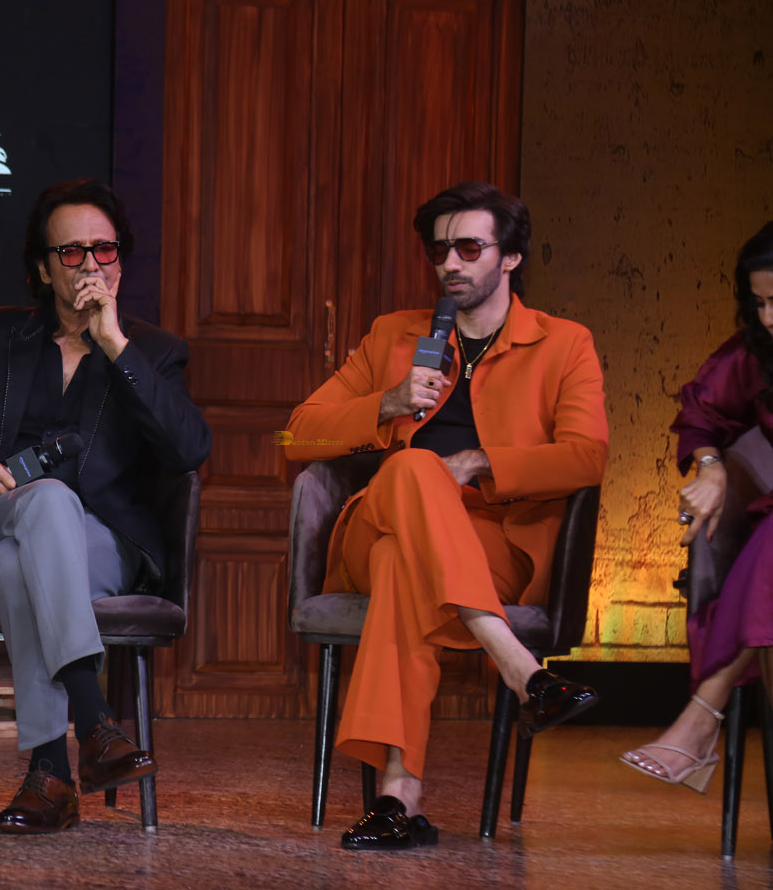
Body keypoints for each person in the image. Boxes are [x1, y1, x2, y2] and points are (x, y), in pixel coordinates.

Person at [283, 182, 609, 850]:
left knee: (402, 568)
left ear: (510, 256)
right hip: (380, 518)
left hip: (490, 544)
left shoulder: (563, 343)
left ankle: (397, 799)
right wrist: (387, 403)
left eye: (469, 248)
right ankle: (517, 665)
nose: (450, 264)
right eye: (440, 252)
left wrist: (483, 462)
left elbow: (587, 456)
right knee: (411, 469)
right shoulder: (394, 335)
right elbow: (297, 435)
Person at [0, 178, 211, 834]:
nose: (91, 265)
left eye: (104, 250)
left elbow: (188, 448)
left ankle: (50, 773)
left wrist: (114, 344)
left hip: (101, 545)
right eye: (71, 252)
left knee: (18, 567)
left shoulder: (152, 351)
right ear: (42, 268)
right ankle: (95, 720)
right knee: (38, 511)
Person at [620, 222, 773, 791]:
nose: (769, 319)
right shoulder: (757, 353)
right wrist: (711, 468)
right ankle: (701, 722)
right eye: (759, 303)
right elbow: (702, 413)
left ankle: (701, 718)